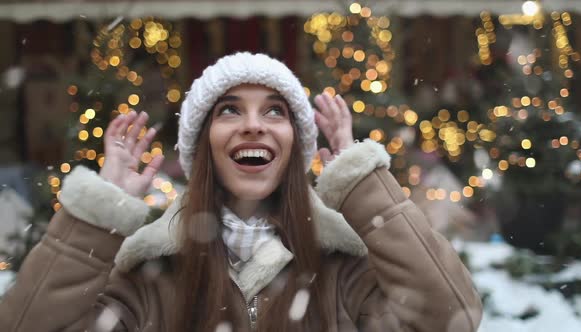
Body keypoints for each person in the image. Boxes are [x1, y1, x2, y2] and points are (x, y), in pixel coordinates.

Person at [0, 52, 482, 331]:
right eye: (230, 110)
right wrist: (95, 214)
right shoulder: (148, 277)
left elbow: (451, 318)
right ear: (203, 145)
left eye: (275, 111)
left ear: (297, 144)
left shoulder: (342, 270)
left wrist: (362, 183)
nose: (254, 125)